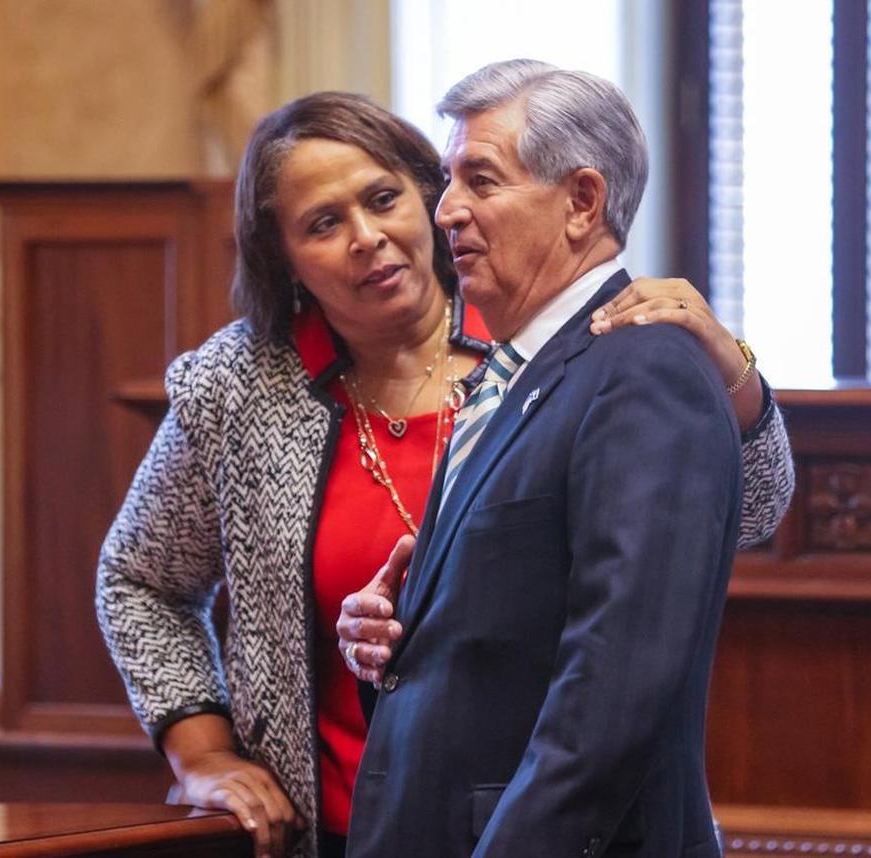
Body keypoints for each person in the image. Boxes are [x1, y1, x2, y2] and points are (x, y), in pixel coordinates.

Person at [95, 91, 794, 858]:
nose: (367, 238)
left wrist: (736, 371)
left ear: (429, 199)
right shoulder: (237, 384)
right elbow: (138, 580)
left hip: (536, 825)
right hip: (325, 829)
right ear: (282, 257)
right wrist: (202, 756)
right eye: (324, 224)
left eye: (384, 199)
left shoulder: (544, 335)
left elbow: (745, 514)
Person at [341, 61, 751, 858]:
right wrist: (394, 641)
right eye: (447, 181)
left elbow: (613, 696)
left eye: (481, 180)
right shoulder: (518, 375)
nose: (447, 210)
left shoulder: (643, 373)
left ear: (582, 202)